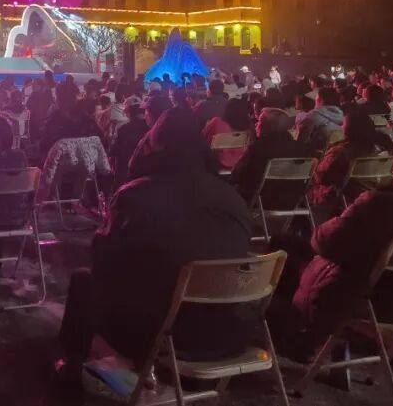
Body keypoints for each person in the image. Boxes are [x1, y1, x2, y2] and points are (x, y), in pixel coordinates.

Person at [56, 107, 253, 392]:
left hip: (161, 334)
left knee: (84, 281)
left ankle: (72, 368)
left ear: (154, 144)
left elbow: (103, 261)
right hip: (226, 332)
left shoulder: (136, 195)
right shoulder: (232, 199)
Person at [281, 137, 393, 354]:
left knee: (283, 248)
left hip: (367, 300)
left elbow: (324, 243)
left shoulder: (383, 205)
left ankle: (299, 336)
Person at [309, 110, 393, 224]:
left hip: (346, 197)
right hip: (378, 193)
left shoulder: (341, 152)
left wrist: (314, 166)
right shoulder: (385, 146)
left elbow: (322, 177)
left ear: (348, 129)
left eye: (343, 124)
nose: (341, 127)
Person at [231, 108, 312, 209]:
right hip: (291, 201)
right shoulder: (301, 148)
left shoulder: (258, 148)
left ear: (269, 126)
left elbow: (237, 174)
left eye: (260, 122)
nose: (256, 125)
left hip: (261, 200)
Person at [202, 97, 253, 172]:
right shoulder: (249, 128)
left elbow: (203, 139)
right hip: (241, 166)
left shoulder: (216, 122)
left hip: (217, 165)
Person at [107, 103, 147, 191]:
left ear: (130, 115)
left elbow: (114, 150)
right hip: (144, 169)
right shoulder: (150, 128)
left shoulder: (124, 129)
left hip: (124, 170)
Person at [296, 86, 345, 155]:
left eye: (317, 96)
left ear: (321, 99)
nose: (315, 98)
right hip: (336, 155)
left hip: (316, 156)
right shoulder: (343, 116)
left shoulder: (313, 116)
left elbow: (301, 140)